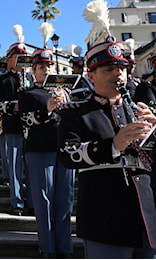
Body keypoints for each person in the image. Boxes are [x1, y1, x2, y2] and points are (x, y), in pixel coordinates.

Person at [57, 38, 156, 258]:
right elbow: (67, 155)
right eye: (109, 69)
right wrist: (113, 145)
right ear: (90, 76)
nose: (118, 74)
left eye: (122, 69)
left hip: (148, 219)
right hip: (105, 220)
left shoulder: (140, 109)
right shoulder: (75, 112)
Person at [19, 47, 75, 257]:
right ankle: (48, 249)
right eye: (42, 66)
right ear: (34, 71)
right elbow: (26, 120)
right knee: (44, 202)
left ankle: (65, 249)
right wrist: (48, 109)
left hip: (64, 150)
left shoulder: (65, 92)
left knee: (65, 201)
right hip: (40, 150)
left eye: (49, 66)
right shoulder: (28, 94)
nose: (47, 69)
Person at [0, 26, 34, 216]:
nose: (21, 59)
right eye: (17, 55)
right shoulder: (2, 79)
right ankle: (17, 202)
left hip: (33, 127)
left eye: (23, 55)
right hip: (12, 125)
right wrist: (12, 106)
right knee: (15, 166)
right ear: (9, 60)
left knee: (31, 167)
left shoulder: (32, 78)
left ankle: (32, 201)